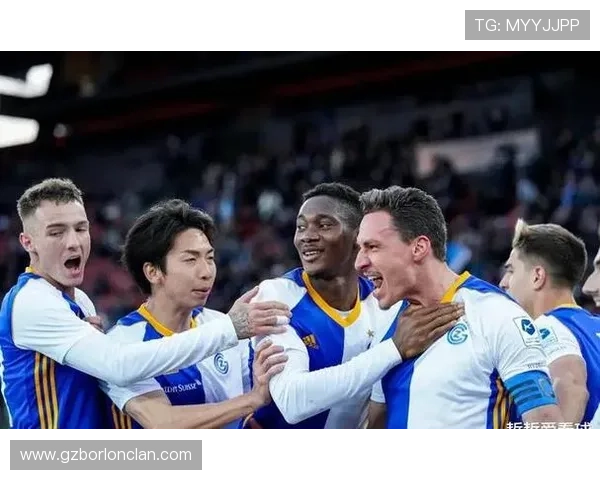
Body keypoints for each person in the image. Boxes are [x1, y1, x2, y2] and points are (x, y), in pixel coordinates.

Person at [0, 178, 288, 430]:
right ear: (28, 242)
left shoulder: (79, 301)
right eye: (56, 232)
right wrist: (229, 330)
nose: (74, 242)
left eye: (81, 228)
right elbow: (119, 366)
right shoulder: (32, 301)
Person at [245, 183, 463, 431]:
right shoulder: (276, 295)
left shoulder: (385, 303)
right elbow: (292, 402)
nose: (307, 236)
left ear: (359, 237)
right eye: (301, 227)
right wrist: (393, 349)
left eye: (324, 225)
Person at [359, 186, 564, 431]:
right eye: (360, 249)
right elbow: (377, 424)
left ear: (419, 248)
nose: (359, 263)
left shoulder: (495, 313)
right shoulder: (383, 323)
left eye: (372, 247)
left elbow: (546, 423)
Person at [102, 199, 287, 430]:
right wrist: (252, 399)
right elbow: (164, 423)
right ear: (153, 272)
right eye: (191, 260)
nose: (206, 272)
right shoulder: (122, 345)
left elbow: (252, 417)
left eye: (209, 258)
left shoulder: (224, 325)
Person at [499, 219, 597, 428]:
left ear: (537, 276)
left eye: (511, 271)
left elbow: (572, 386)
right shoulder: (593, 326)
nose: (503, 282)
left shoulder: (547, 326)